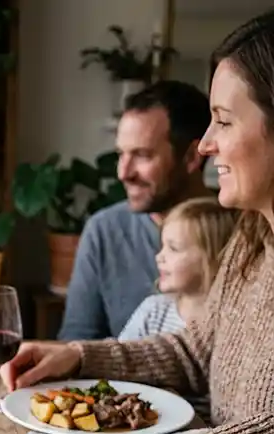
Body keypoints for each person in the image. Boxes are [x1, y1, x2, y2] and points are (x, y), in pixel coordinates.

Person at [1, 10, 274, 434]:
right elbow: (194, 350)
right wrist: (79, 355)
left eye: (224, 121)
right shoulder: (254, 238)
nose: (206, 144)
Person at [58, 81, 212, 341]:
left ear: (191, 158)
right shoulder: (104, 230)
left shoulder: (241, 231)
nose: (123, 173)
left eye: (142, 155)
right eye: (121, 154)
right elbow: (76, 342)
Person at [119, 197, 237, 340]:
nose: (159, 257)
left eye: (174, 248)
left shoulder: (233, 321)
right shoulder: (153, 312)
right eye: (162, 246)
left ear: (214, 258)